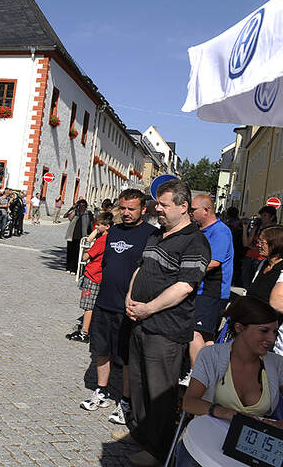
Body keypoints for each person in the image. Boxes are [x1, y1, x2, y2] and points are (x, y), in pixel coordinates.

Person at [118, 179, 211, 467]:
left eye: (163, 204)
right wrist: (130, 299)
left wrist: (148, 309)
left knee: (160, 392)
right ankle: (143, 433)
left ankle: (158, 450)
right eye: (157, 203)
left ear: (183, 207)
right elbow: (141, 269)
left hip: (166, 329)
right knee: (140, 383)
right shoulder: (157, 235)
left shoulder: (195, 241)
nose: (156, 208)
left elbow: (184, 287)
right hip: (141, 322)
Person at [176, 297, 283, 466]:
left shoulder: (277, 364)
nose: (272, 339)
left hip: (251, 449)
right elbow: (189, 403)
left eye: (275, 332)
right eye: (264, 331)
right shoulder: (211, 355)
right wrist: (227, 413)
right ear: (239, 327)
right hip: (205, 442)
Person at [81, 189, 154, 426]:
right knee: (101, 350)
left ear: (143, 209)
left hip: (130, 307)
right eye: (122, 208)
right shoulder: (113, 232)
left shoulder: (152, 234)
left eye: (131, 209)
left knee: (126, 357)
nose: (125, 213)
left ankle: (125, 401)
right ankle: (101, 391)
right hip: (105, 301)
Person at [182, 194, 234, 385]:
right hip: (203, 289)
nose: (190, 212)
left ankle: (196, 376)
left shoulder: (220, 231)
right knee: (206, 336)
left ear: (206, 210)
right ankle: (208, 376)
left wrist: (184, 270)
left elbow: (214, 262)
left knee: (195, 332)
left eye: (193, 209)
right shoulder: (201, 230)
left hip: (213, 290)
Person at [67, 212, 113, 343]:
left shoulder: (101, 241)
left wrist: (90, 243)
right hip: (100, 275)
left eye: (99, 225)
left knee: (89, 305)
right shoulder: (110, 238)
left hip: (93, 275)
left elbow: (85, 256)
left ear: (107, 226)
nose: (97, 227)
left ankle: (85, 331)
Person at [246, 225, 283, 352]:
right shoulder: (264, 264)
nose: (258, 245)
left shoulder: (281, 268)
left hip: (268, 328)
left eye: (262, 242)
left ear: (275, 244)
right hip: (251, 321)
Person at [242, 206, 278, 288]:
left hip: (261, 260)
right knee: (246, 286)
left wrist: (256, 247)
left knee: (257, 285)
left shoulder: (274, 230)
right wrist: (245, 229)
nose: (262, 218)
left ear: (272, 217)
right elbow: (246, 244)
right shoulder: (257, 227)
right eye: (261, 215)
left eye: (265, 215)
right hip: (249, 258)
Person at [65, 200, 93, 275]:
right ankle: (68, 267)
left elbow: (91, 224)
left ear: (85, 206)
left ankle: (74, 269)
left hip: (82, 236)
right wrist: (74, 209)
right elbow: (68, 217)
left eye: (83, 205)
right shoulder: (76, 212)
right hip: (72, 235)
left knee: (78, 253)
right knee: (70, 252)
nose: (81, 207)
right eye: (80, 205)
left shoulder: (88, 213)